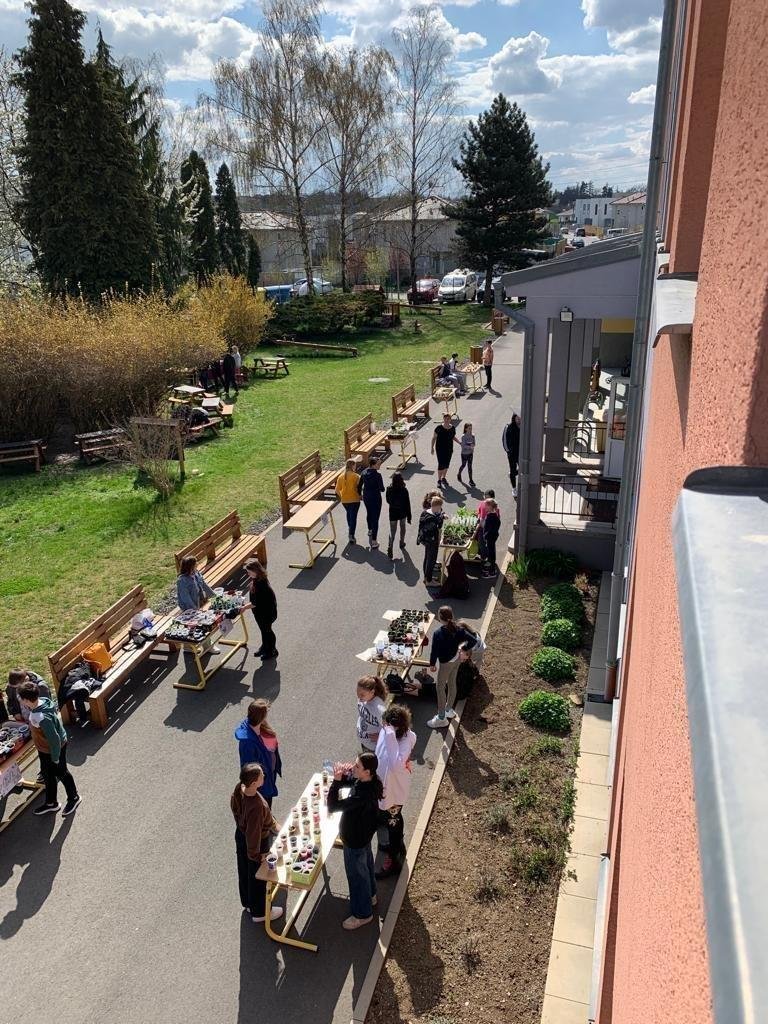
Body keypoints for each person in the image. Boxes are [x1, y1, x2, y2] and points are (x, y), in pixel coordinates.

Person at [327, 752, 382, 929]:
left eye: (357, 766)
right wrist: (343, 775)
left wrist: (336, 783)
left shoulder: (361, 795)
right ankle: (371, 896)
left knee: (357, 877)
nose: (353, 767)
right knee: (366, 867)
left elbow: (333, 806)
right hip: (363, 836)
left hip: (354, 840)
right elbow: (352, 781)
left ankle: (362, 914)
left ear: (367, 772)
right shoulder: (371, 782)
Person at [19, 680, 81, 816]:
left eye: (21, 698)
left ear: (26, 700)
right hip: (45, 749)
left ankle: (74, 797)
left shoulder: (40, 717)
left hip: (53, 749)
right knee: (47, 774)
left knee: (62, 772)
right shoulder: (43, 701)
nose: (20, 700)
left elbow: (54, 739)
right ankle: (51, 803)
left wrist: (55, 757)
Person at [231, 762, 283, 924]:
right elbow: (253, 835)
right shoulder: (256, 806)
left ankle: (248, 903)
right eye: (261, 776)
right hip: (256, 843)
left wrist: (275, 825)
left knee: (245, 871)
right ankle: (260, 912)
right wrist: (257, 855)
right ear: (254, 783)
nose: (264, 776)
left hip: (241, 836)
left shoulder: (239, 790)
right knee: (258, 877)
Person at [375, 704, 416, 879]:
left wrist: (390, 736)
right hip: (384, 787)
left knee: (394, 823)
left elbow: (395, 765)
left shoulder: (405, 740)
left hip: (394, 793)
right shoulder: (388, 732)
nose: (383, 727)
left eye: (387, 725)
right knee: (390, 820)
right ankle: (397, 846)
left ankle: (394, 860)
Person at [424, 605, 477, 729]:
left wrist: (432, 664)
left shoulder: (438, 633)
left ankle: (441, 718)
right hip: (456, 660)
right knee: (452, 683)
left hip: (445, 664)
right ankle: (448, 709)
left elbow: (434, 651)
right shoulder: (459, 629)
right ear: (452, 616)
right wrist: (464, 648)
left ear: (440, 618)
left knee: (440, 688)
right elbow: (473, 640)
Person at [234, 699, 282, 806]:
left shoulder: (262, 727)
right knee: (264, 810)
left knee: (267, 809)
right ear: (261, 717)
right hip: (261, 785)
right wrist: (258, 785)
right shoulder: (247, 744)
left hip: (268, 777)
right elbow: (249, 770)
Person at [177, 555, 220, 654]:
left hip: (198, 602)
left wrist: (214, 597)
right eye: (195, 564)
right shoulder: (182, 580)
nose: (197, 565)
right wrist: (195, 609)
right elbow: (185, 597)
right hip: (188, 607)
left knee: (197, 625)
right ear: (190, 567)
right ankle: (203, 646)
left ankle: (202, 645)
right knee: (199, 624)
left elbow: (204, 585)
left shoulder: (196, 573)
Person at [244, 557, 278, 659]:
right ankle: (264, 647)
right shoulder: (258, 578)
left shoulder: (261, 585)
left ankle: (272, 650)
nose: (248, 574)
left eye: (249, 572)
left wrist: (243, 608)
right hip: (261, 612)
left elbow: (255, 603)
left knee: (267, 631)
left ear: (255, 571)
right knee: (263, 630)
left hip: (266, 613)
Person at [418, 493, 445, 587]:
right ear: (436, 506)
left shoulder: (426, 513)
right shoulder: (432, 518)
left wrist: (441, 515)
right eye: (440, 507)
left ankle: (426, 578)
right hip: (431, 542)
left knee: (427, 558)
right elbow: (438, 525)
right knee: (431, 560)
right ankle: (429, 581)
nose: (440, 509)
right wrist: (441, 518)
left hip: (426, 541)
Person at [356, 675, 388, 752]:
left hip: (373, 748)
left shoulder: (379, 709)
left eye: (362, 695)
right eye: (357, 693)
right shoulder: (363, 700)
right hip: (364, 742)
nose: (359, 697)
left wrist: (381, 736)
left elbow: (391, 728)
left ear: (372, 692)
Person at [360, 456, 385, 549]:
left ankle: (370, 530)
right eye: (378, 464)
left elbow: (359, 485)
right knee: (375, 518)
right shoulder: (378, 475)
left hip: (366, 497)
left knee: (369, 513)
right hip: (375, 498)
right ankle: (374, 541)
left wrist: (360, 494)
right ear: (373, 465)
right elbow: (382, 489)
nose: (380, 465)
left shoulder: (364, 472)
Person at [336, 458, 362, 545]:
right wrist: (361, 496)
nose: (355, 467)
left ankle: (350, 529)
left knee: (349, 514)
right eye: (355, 465)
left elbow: (337, 490)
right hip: (355, 500)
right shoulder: (356, 476)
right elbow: (360, 488)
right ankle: (351, 534)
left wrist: (342, 497)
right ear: (352, 466)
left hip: (345, 501)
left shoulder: (340, 477)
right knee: (353, 517)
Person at [385, 472, 412, 559]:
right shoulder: (404, 490)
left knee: (392, 530)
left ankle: (390, 545)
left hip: (393, 512)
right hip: (402, 512)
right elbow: (407, 503)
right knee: (402, 527)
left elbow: (387, 500)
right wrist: (409, 516)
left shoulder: (389, 489)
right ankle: (402, 542)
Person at [431, 413, 458, 487]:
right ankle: (439, 480)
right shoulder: (439, 428)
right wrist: (432, 448)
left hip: (449, 449)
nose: (446, 420)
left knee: (446, 464)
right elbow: (434, 438)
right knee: (441, 464)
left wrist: (459, 442)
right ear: (443, 419)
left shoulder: (452, 428)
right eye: (445, 418)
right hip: (440, 449)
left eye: (448, 418)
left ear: (450, 419)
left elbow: (453, 437)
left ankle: (443, 478)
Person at [481, 498, 501, 578]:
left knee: (490, 554)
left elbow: (488, 529)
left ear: (490, 507)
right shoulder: (494, 515)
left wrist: (486, 536)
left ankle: (491, 571)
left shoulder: (490, 517)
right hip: (492, 537)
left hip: (490, 538)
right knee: (491, 553)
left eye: (486, 505)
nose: (484, 507)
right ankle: (491, 569)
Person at [503, 413, 521, 497]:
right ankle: (514, 488)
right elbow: (504, 440)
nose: (519, 420)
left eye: (520, 418)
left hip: (521, 453)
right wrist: (508, 451)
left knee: (523, 469)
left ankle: (512, 474)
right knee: (513, 470)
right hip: (512, 454)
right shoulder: (508, 427)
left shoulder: (524, 427)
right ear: (514, 418)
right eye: (517, 418)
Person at [457, 421, 476, 487]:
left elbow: (474, 443)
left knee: (470, 467)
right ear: (466, 429)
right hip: (464, 454)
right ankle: (459, 474)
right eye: (469, 428)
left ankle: (471, 480)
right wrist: (470, 447)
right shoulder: (463, 436)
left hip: (470, 454)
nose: (470, 429)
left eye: (471, 428)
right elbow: (463, 446)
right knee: (463, 465)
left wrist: (473, 447)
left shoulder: (473, 436)